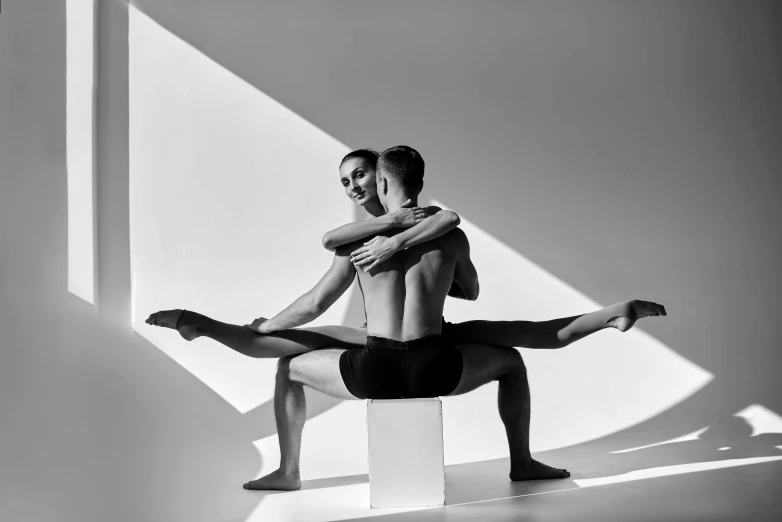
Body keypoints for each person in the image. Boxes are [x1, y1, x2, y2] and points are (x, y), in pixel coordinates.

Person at [146, 147, 666, 490]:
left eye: (360, 177)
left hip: (374, 368)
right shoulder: (450, 234)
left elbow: (312, 305)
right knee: (513, 356)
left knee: (290, 361)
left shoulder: (359, 244)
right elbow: (473, 289)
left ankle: (284, 464)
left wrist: (263, 327)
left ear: (382, 180)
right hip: (437, 365)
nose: (353, 186)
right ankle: (526, 457)